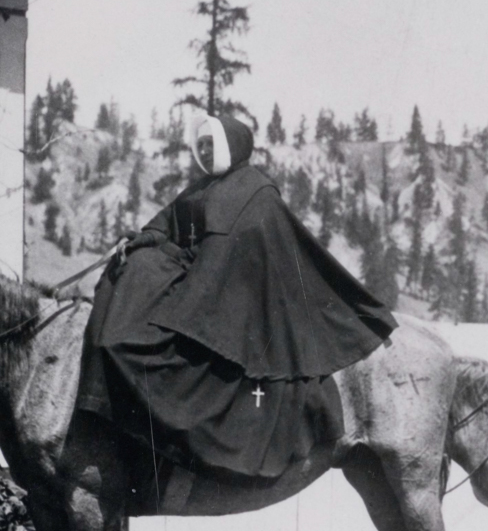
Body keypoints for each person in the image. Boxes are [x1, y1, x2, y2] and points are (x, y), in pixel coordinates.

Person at [77, 112, 395, 495]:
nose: (207, 151)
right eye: (203, 145)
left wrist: (190, 287)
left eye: (214, 144)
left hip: (238, 298)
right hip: (194, 279)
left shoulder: (257, 193)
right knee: (131, 273)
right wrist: (143, 240)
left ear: (234, 146)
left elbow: (242, 259)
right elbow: (166, 225)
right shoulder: (201, 188)